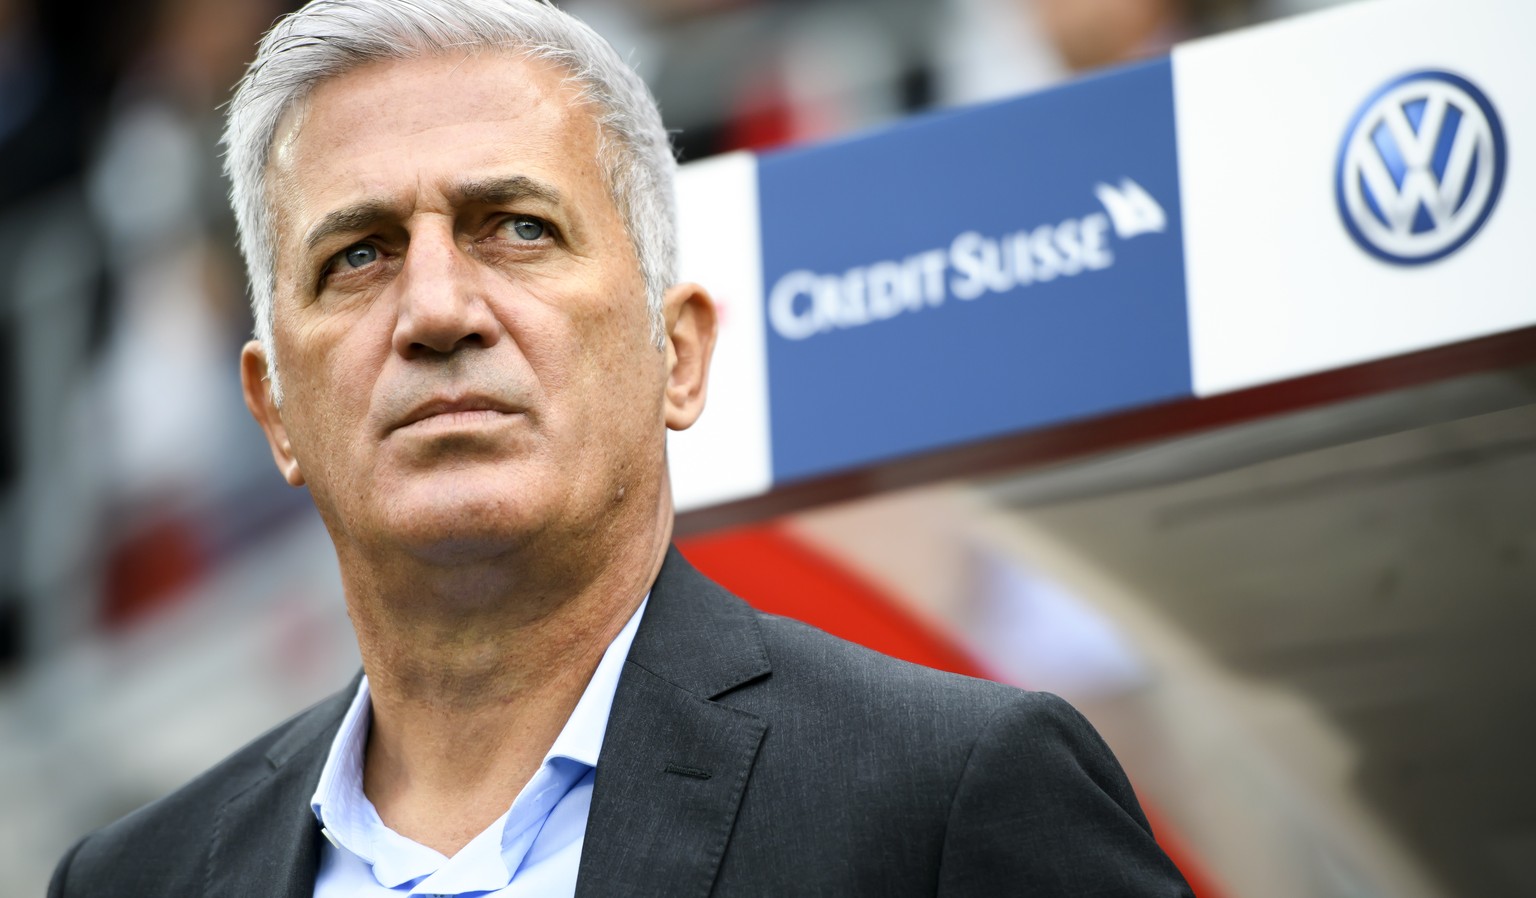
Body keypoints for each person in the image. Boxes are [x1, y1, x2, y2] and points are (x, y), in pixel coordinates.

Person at [49, 1, 1194, 895]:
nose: (438, 308)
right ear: (274, 412)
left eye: (519, 228)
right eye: (359, 254)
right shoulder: (133, 880)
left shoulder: (951, 798)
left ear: (680, 353)